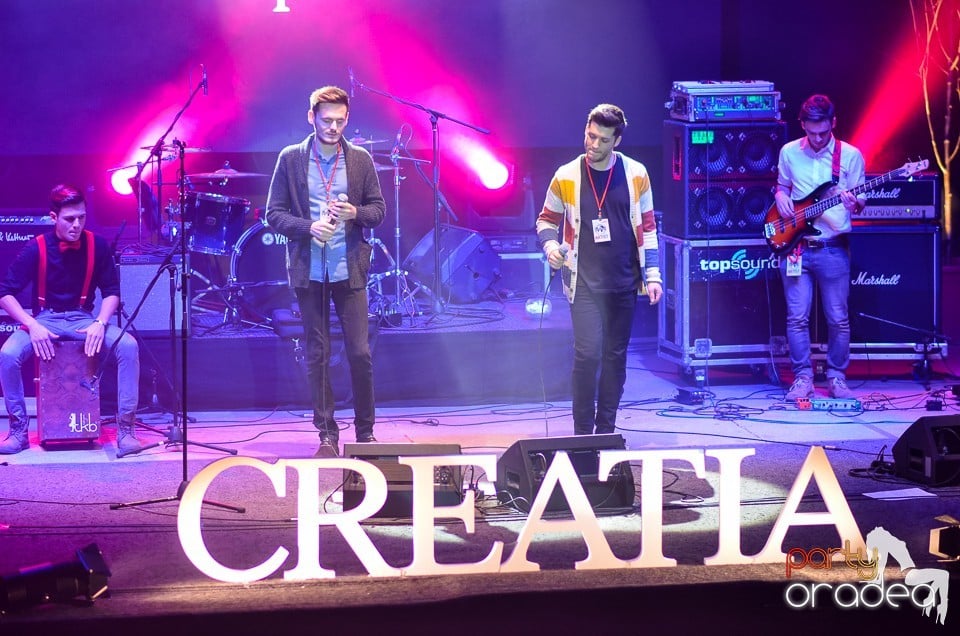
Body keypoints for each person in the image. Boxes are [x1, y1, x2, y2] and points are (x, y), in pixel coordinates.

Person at [265, 85, 386, 457]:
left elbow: (378, 211)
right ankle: (327, 435)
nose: (333, 127)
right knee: (318, 354)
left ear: (347, 119)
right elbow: (273, 214)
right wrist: (308, 227)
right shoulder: (291, 158)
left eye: (340, 121)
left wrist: (356, 213)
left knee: (360, 353)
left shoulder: (360, 159)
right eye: (327, 120)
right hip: (310, 270)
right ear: (311, 118)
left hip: (349, 270)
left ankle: (365, 433)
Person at [537, 103, 662, 436]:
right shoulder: (566, 175)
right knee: (588, 354)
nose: (593, 144)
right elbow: (546, 220)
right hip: (583, 283)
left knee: (615, 356)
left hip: (624, 281)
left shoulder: (637, 174)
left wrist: (653, 275)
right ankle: (582, 434)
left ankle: (606, 430)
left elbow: (649, 228)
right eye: (590, 136)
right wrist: (551, 248)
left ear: (616, 141)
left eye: (603, 140)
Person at [0, 184, 141, 455]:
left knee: (128, 346)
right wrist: (32, 325)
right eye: (69, 219)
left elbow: (112, 292)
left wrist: (100, 322)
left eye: (81, 217)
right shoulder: (36, 248)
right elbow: (4, 293)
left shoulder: (97, 245)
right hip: (46, 318)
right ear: (53, 217)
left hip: (82, 318)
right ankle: (18, 431)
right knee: (8, 355)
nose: (77, 225)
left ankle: (126, 429)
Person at [776, 94, 865, 400]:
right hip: (796, 246)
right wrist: (780, 197)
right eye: (812, 132)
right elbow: (782, 186)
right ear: (802, 124)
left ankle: (837, 377)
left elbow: (860, 201)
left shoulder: (850, 156)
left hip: (832, 246)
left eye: (823, 133)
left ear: (833, 123)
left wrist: (854, 203)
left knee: (838, 318)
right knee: (796, 317)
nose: (817, 139)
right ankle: (803, 378)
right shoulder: (789, 152)